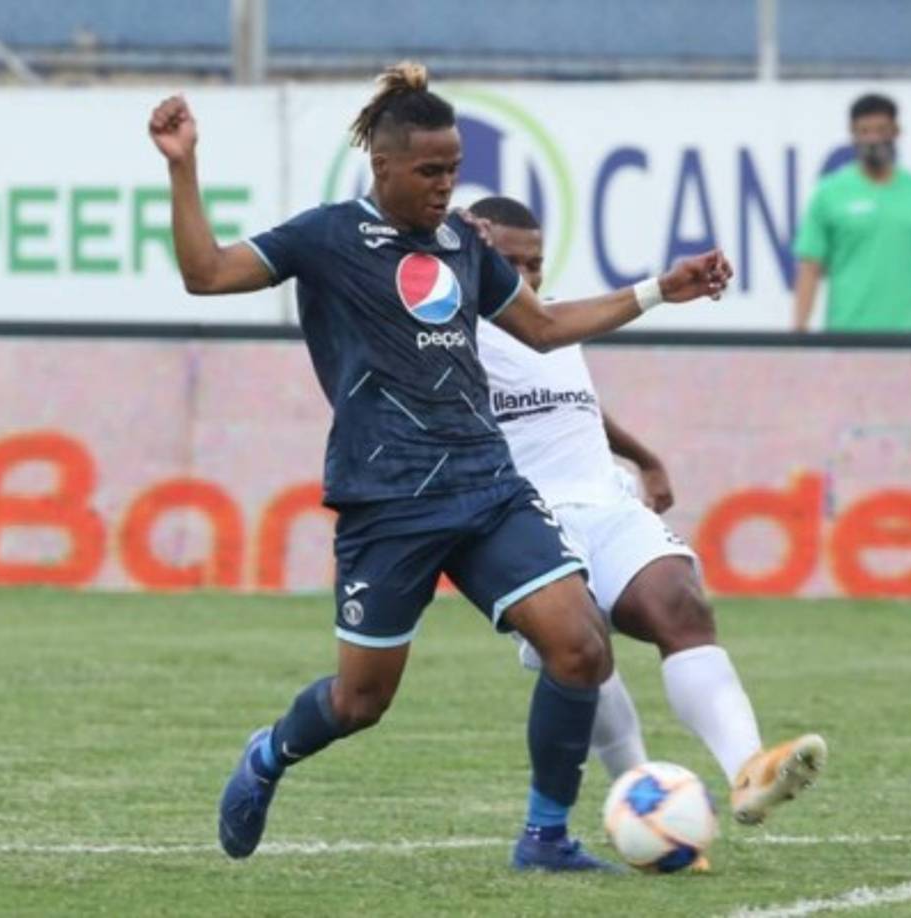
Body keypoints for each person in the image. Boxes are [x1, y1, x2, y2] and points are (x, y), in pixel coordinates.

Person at [147, 62, 732, 872]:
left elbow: (546, 325)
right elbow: (204, 272)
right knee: (360, 702)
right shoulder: (325, 238)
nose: (443, 186)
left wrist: (658, 290)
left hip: (485, 488)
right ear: (382, 165)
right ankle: (269, 754)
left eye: (453, 169)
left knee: (579, 646)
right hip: (387, 500)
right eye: (428, 171)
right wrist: (183, 167)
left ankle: (544, 837)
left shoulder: (461, 241)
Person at [470, 196, 827, 866]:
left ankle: (748, 771)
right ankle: (642, 799)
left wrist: (642, 455)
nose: (524, 276)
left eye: (535, 263)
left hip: (604, 503)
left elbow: (572, 405)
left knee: (680, 603)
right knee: (584, 651)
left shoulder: (554, 323)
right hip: (522, 519)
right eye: (507, 262)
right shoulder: (446, 327)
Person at [793, 93, 911, 334]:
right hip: (848, 336)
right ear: (852, 135)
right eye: (864, 131)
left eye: (881, 130)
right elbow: (810, 267)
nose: (873, 139)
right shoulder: (830, 193)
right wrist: (799, 329)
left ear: (896, 131)